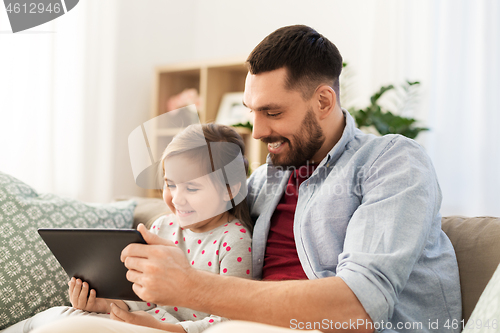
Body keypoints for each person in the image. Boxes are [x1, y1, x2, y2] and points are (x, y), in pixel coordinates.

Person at [32, 25, 461, 333]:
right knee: (62, 325)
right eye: (252, 111)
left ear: (324, 101)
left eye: (272, 112)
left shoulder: (392, 162)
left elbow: (358, 310)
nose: (256, 131)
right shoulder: (265, 181)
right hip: (246, 324)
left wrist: (190, 286)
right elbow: (202, 226)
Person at [6, 124, 252, 333]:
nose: (177, 199)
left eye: (192, 188)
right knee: (54, 317)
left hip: (169, 330)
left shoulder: (234, 239)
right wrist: (101, 304)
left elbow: (233, 319)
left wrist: (164, 328)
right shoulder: (162, 226)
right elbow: (143, 300)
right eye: (171, 185)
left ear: (230, 190)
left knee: (63, 327)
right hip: (140, 322)